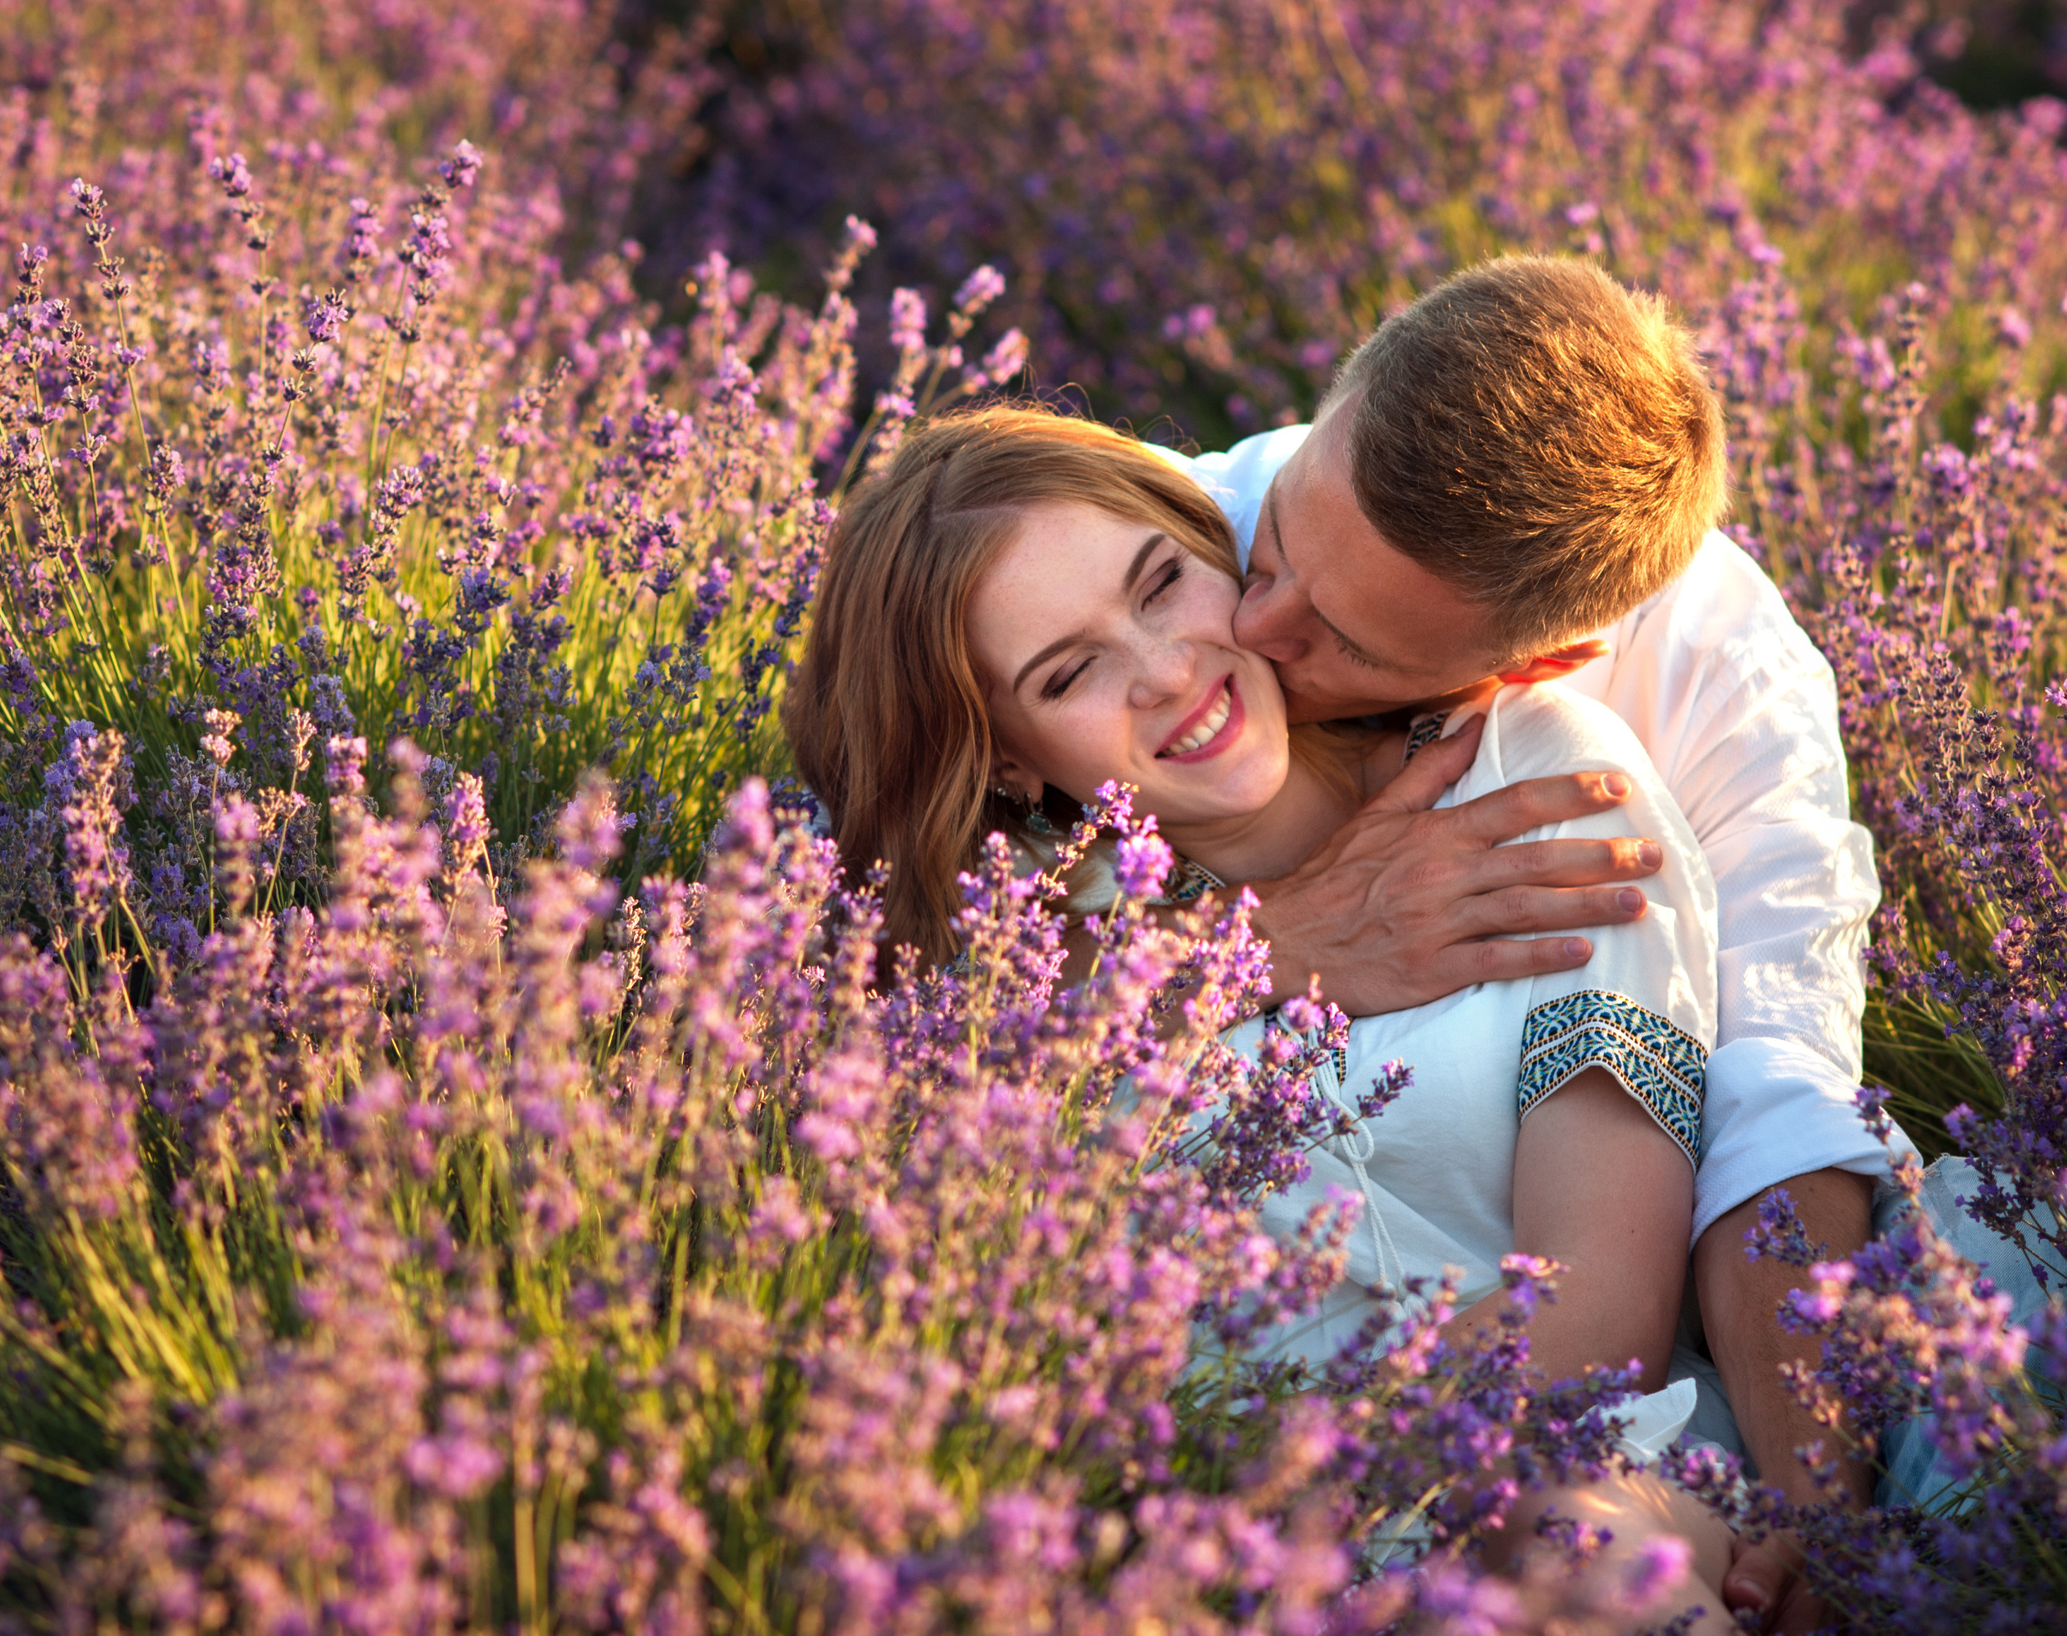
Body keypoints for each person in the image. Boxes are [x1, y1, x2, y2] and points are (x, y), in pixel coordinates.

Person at [786, 403, 1745, 1630]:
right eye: (1069, 673)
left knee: (1572, 1571)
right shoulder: (1013, 999)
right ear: (1009, 759)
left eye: (1160, 587)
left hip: (1574, 1453)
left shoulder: (1531, 783)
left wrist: (1323, 1523)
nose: (1169, 672)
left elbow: (1599, 1303)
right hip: (1217, 1538)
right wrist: (1261, 955)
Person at [1141, 256, 1909, 1629]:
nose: (1256, 629)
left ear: (1534, 667)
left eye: (1345, 644)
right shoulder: (1151, 530)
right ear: (1340, 393)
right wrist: (1270, 947)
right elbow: (889, 906)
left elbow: (1779, 1090)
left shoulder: (1714, 680)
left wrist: (1808, 1496)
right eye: (1281, 554)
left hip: (1542, 1377)